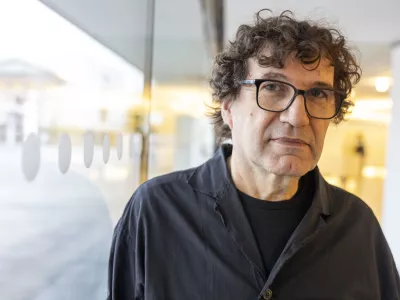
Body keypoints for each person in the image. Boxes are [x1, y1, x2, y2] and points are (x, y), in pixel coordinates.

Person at [107, 9, 400, 300]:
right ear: (228, 107)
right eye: (272, 87)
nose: (297, 118)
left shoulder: (358, 228)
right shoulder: (156, 211)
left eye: (318, 94)